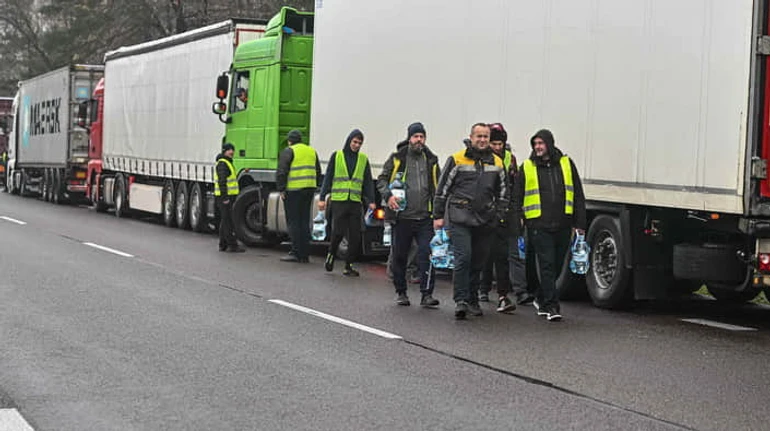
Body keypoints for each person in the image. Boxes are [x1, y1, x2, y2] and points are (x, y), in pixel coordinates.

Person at [433, 123, 509, 320]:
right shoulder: (457, 159)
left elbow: (503, 193)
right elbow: (442, 190)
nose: (482, 140)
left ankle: (473, 299)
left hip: (485, 220)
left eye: (486, 137)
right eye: (479, 136)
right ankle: (461, 300)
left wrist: (499, 215)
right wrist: (438, 216)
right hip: (460, 217)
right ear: (471, 137)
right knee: (463, 258)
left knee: (478, 262)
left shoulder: (498, 162)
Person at [512, 129, 586, 321]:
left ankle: (542, 298)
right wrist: (518, 219)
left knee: (559, 264)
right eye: (535, 144)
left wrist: (580, 222)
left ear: (549, 144)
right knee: (547, 263)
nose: (537, 147)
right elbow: (517, 196)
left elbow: (577, 194)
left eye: (541, 143)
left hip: (563, 223)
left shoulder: (566, 164)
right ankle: (553, 306)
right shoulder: (527, 167)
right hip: (538, 224)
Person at [377, 122, 440, 308]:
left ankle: (427, 294)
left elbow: (438, 186)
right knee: (400, 256)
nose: (419, 140)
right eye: (416, 136)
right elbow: (382, 179)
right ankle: (401, 292)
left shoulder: (431, 159)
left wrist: (438, 212)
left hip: (424, 218)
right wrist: (388, 196)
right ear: (409, 138)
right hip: (402, 217)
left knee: (426, 255)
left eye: (422, 136)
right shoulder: (398, 158)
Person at [319, 129, 376, 276]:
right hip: (339, 201)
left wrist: (371, 200)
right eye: (355, 142)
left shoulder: (363, 159)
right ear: (349, 141)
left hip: (355, 202)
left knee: (355, 235)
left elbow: (368, 181)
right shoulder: (337, 156)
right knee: (337, 232)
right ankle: (331, 255)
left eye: (359, 143)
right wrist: (322, 197)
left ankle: (348, 266)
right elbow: (328, 177)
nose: (357, 145)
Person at [478, 123, 518, 313]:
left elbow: (514, 185)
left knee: (502, 256)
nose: (496, 147)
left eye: (499, 143)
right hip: (485, 213)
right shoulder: (483, 160)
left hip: (502, 213)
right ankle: (482, 288)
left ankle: (503, 294)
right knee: (485, 255)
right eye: (493, 143)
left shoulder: (510, 159)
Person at [276, 129, 322, 263]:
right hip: (309, 189)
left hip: (294, 190)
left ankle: (295, 252)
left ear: (290, 141)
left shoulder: (289, 151)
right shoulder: (311, 151)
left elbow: (282, 171)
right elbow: (318, 171)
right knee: (304, 220)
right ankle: (305, 253)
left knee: (294, 221)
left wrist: (281, 189)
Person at [215, 142, 246, 253]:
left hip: (227, 196)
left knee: (225, 220)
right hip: (225, 196)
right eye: (229, 150)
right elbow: (222, 181)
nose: (232, 152)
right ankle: (232, 245)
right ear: (224, 151)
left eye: (232, 149)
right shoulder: (223, 164)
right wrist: (225, 197)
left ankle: (222, 244)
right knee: (228, 221)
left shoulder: (227, 162)